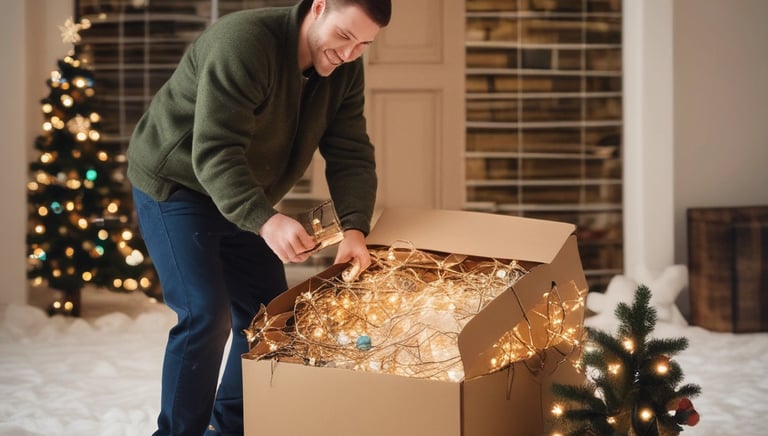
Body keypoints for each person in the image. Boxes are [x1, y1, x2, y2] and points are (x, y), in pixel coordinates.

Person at [126, 0, 391, 434]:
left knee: (271, 317)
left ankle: (228, 428)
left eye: (363, 44)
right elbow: (214, 151)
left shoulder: (346, 66)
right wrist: (265, 220)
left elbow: (351, 152)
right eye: (344, 36)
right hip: (177, 183)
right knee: (204, 316)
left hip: (243, 190)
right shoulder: (243, 43)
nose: (349, 54)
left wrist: (354, 228)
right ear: (319, 7)